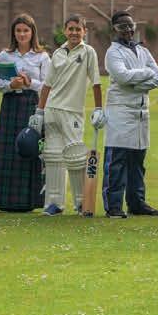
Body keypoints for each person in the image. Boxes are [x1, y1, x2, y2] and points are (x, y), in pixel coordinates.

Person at [29, 15, 104, 216]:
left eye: (78, 29)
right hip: (52, 109)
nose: (74, 32)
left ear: (84, 31)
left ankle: (81, 203)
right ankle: (54, 204)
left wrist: (99, 109)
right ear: (65, 31)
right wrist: (39, 111)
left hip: (72, 112)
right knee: (53, 157)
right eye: (70, 29)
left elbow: (96, 82)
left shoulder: (88, 52)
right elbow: (47, 85)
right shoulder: (58, 53)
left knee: (76, 158)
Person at [101, 11, 158, 218]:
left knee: (137, 162)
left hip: (140, 113)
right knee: (117, 161)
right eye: (122, 26)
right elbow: (122, 77)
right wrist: (146, 74)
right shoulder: (113, 53)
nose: (128, 30)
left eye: (130, 25)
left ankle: (137, 203)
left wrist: (136, 84)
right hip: (120, 111)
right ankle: (113, 206)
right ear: (114, 29)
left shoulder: (143, 51)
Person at [0, 14, 50, 212]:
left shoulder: (42, 56)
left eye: (26, 31)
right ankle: (5, 200)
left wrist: (30, 83)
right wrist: (10, 85)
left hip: (32, 105)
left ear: (32, 33)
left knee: (29, 148)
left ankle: (30, 200)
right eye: (18, 31)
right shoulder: (5, 55)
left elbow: (49, 85)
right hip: (11, 105)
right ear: (13, 33)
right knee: (8, 152)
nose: (22, 34)